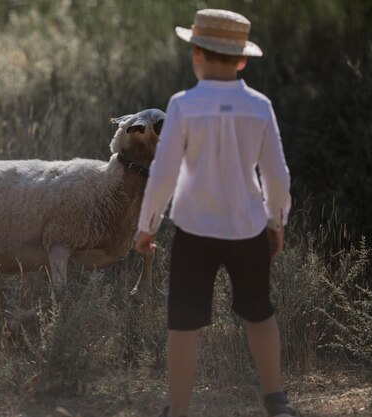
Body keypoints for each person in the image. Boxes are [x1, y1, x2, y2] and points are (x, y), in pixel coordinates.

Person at [133, 8, 298, 417]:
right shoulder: (260, 106)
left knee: (184, 325)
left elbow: (164, 173)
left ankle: (181, 410)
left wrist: (146, 225)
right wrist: (275, 222)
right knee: (260, 314)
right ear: (242, 59)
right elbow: (277, 175)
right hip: (247, 227)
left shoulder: (183, 105)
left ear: (196, 54)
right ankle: (275, 401)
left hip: (194, 230)